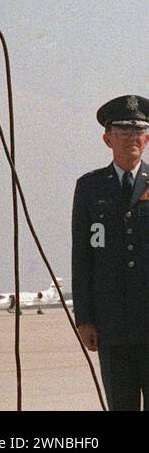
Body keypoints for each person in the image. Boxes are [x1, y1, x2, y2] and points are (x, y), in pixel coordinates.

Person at [72, 95, 149, 410]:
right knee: (121, 405)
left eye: (138, 130)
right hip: (112, 323)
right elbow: (83, 257)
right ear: (107, 138)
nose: (131, 137)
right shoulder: (90, 188)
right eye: (123, 131)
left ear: (147, 138)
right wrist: (85, 318)